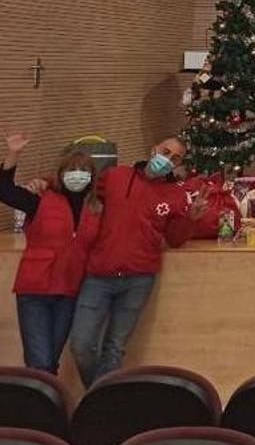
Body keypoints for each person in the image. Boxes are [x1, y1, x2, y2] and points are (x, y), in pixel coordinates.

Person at [66, 137, 209, 386]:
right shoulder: (116, 176)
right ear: (153, 149)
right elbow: (79, 192)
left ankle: (99, 403)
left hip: (139, 278)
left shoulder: (176, 194)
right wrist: (45, 184)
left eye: (175, 158)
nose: (167, 159)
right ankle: (99, 395)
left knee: (115, 348)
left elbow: (174, 239)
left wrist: (191, 218)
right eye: (165, 151)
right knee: (81, 343)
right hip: (99, 275)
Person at [0, 134, 101, 374]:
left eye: (83, 170)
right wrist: (14, 153)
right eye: (72, 169)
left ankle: (47, 407)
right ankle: (38, 410)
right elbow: (4, 190)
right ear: (62, 173)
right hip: (35, 291)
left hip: (70, 291)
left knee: (50, 361)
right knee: (39, 362)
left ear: (91, 177)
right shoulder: (40, 200)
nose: (77, 175)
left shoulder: (97, 207)